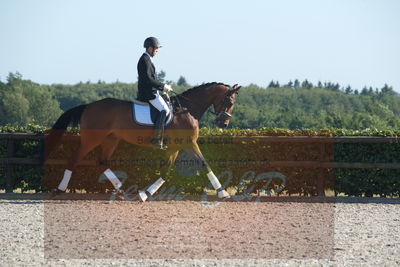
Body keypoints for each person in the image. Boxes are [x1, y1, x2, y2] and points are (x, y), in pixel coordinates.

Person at [137, 37, 173, 149]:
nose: (157, 50)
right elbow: (148, 80)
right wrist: (163, 86)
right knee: (165, 110)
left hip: (151, 92)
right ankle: (156, 139)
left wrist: (161, 91)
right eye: (156, 48)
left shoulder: (147, 59)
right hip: (148, 94)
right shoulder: (145, 60)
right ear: (149, 48)